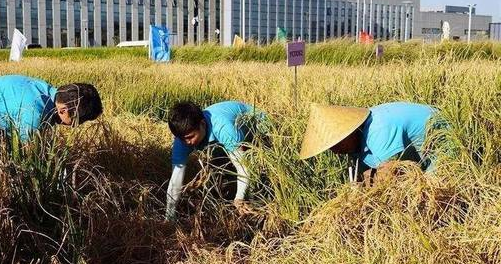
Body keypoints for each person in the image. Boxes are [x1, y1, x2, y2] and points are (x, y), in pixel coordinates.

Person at [165, 100, 266, 221]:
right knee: (221, 172)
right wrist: (169, 217)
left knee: (258, 180)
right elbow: (175, 180)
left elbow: (243, 166)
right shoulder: (182, 140)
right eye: (182, 139)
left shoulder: (224, 128)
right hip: (226, 140)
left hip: (260, 129)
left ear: (202, 124)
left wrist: (239, 199)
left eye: (191, 137)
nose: (187, 143)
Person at [299, 101, 441, 181]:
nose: (336, 152)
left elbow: (389, 177)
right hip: (419, 150)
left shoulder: (378, 130)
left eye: (336, 145)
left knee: (433, 188)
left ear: (348, 133)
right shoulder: (356, 140)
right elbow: (362, 177)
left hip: (442, 139)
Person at [0, 74, 102, 142]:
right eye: (79, 120)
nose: (76, 126)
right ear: (63, 110)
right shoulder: (33, 114)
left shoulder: (43, 89)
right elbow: (28, 162)